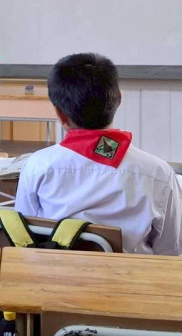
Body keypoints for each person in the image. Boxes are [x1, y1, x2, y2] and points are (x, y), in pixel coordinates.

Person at [15, 53, 182, 255]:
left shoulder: (37, 166)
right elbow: (170, 251)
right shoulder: (159, 174)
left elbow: (22, 238)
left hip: (56, 274)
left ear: (60, 114)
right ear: (118, 99)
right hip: (132, 275)